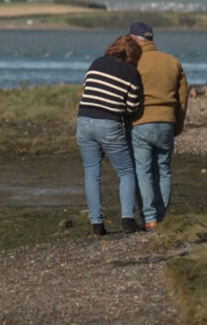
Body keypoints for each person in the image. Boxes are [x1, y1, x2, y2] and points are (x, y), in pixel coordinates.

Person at [75, 34, 144, 236]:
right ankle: (127, 220)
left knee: (91, 172)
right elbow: (132, 106)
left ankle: (97, 224)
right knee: (126, 172)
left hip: (84, 119)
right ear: (135, 53)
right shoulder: (132, 72)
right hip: (109, 123)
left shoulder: (96, 62)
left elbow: (86, 88)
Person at [128, 22, 189, 230]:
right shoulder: (172, 62)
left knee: (142, 171)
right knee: (163, 170)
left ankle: (149, 218)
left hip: (140, 122)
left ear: (135, 40)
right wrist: (178, 125)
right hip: (167, 121)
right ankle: (160, 217)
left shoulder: (132, 62)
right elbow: (182, 99)